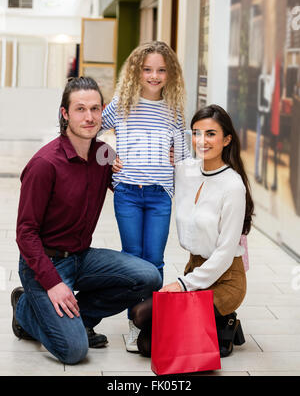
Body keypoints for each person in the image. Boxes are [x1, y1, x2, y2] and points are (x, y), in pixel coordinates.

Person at [11, 76, 162, 365]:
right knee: (74, 351)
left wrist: (161, 159)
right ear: (65, 113)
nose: (90, 117)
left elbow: (128, 186)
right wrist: (53, 283)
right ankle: (25, 309)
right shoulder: (45, 165)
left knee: (148, 277)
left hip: (82, 258)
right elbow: (25, 233)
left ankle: (80, 318)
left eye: (95, 109)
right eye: (80, 109)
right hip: (45, 264)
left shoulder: (103, 154)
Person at [132, 104, 254, 358]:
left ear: (227, 139)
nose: (202, 141)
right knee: (139, 315)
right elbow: (147, 162)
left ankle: (224, 323)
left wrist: (182, 285)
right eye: (196, 133)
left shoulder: (233, 186)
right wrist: (114, 161)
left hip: (225, 279)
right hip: (195, 270)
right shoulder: (185, 170)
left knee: (148, 344)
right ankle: (215, 323)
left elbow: (224, 254)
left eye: (211, 134)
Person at [100, 41, 188, 351]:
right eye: (147, 69)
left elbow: (185, 152)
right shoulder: (122, 103)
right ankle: (134, 325)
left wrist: (178, 154)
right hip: (127, 194)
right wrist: (107, 156)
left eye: (161, 70)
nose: (154, 76)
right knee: (133, 259)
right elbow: (92, 131)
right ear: (137, 71)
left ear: (170, 74)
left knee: (155, 260)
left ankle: (151, 321)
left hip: (160, 195)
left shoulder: (173, 109)